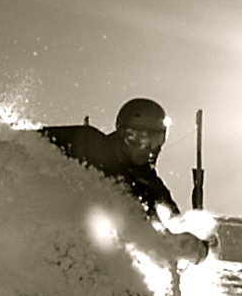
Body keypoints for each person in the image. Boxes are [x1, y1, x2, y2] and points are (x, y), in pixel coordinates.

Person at [41, 98, 209, 261]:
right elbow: (24, 143)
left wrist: (195, 246)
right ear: (121, 133)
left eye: (155, 139)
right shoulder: (85, 142)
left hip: (86, 251)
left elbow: (167, 225)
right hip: (45, 225)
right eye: (135, 138)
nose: (146, 148)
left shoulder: (148, 184)